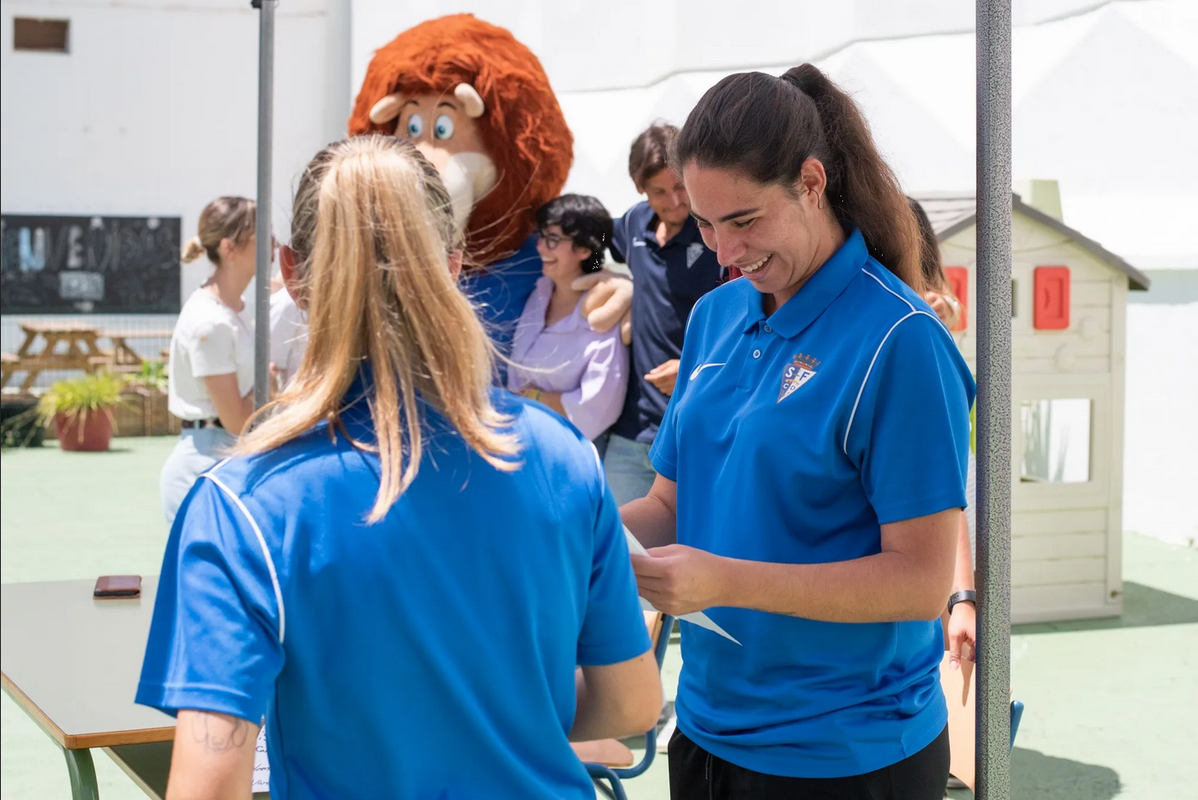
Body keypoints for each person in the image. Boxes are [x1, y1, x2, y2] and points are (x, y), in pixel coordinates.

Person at [136, 135, 661, 800]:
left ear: (291, 271)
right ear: (452, 262)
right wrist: (507, 714)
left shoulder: (240, 503)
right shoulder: (562, 457)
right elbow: (633, 704)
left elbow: (209, 785)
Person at [621, 65, 975, 799]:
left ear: (811, 183)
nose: (722, 251)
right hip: (708, 729)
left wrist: (723, 581)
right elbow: (668, 507)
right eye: (706, 223)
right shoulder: (718, 315)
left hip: (846, 755)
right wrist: (566, 529)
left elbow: (918, 582)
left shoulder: (901, 340)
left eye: (744, 220)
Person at [604, 123, 723, 503]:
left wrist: (691, 366)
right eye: (660, 191)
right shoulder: (633, 222)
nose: (674, 201)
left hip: (693, 429)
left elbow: (743, 324)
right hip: (631, 431)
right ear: (641, 188)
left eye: (680, 188)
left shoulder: (717, 233)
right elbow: (595, 246)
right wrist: (602, 279)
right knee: (620, 551)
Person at [159, 197, 262, 524]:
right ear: (229, 248)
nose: (273, 243)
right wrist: (270, 384)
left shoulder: (236, 308)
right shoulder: (211, 322)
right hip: (205, 469)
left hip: (226, 460)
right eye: (261, 234)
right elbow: (235, 418)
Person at [911, 196, 977, 670]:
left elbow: (942, 477)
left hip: (952, 465)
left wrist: (963, 597)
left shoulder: (925, 309)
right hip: (949, 466)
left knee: (950, 619)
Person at [508, 194, 628, 444]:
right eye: (541, 236)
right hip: (521, 434)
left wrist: (535, 397)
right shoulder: (539, 293)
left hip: (568, 447)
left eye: (553, 239)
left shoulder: (603, 313)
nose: (540, 247)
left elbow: (599, 405)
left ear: (585, 249)